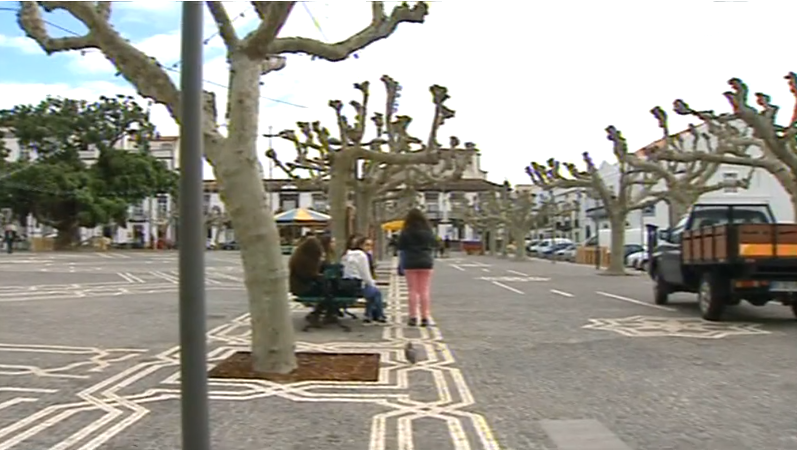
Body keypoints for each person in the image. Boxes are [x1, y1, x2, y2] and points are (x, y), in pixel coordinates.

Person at [398, 208, 437, 327]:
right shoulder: (428, 231)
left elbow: (400, 246)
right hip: (426, 262)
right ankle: (425, 317)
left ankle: (413, 317)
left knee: (412, 290)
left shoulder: (406, 232)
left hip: (410, 262)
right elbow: (434, 244)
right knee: (424, 290)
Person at [341, 235, 386, 323]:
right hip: (356, 285)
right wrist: (372, 284)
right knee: (376, 292)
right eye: (367, 245)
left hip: (345, 285)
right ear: (360, 245)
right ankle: (378, 315)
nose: (369, 248)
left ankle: (370, 314)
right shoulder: (362, 256)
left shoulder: (347, 255)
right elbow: (365, 274)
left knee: (372, 291)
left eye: (371, 245)